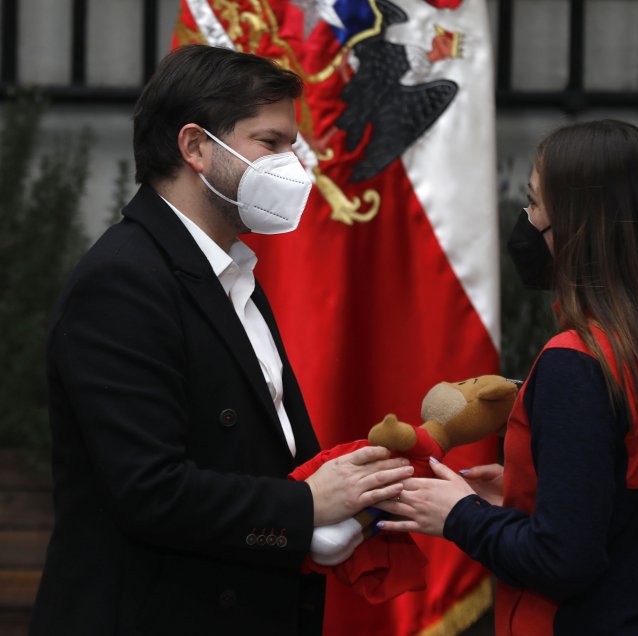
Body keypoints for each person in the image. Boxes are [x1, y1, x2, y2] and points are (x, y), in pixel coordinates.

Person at [30, 44, 415, 636]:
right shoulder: (124, 279)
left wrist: (348, 498)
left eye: (293, 143)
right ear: (196, 147)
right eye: (272, 142)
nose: (294, 164)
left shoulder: (229, 271)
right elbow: (149, 492)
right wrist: (306, 508)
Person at [376, 119, 638, 635]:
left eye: (536, 202)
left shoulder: (577, 362)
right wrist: (528, 494)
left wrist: (462, 515)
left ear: (576, 222)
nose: (527, 218)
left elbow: (563, 562)